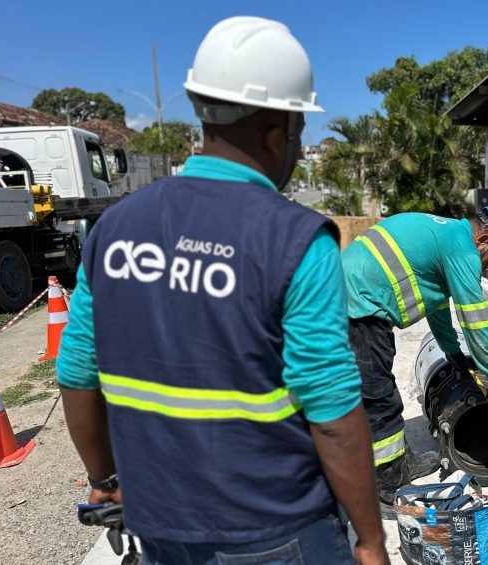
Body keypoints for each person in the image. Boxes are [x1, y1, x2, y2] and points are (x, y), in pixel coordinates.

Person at [56, 17, 389, 565]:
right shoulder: (297, 240)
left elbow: (77, 369)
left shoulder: (115, 228)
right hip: (276, 529)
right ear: (279, 132)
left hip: (159, 523)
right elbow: (331, 410)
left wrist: (104, 477)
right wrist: (371, 541)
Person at [343, 208, 488, 515]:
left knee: (367, 389)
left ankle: (398, 464)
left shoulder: (445, 236)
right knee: (379, 395)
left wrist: (452, 352)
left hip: (352, 294)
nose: (486, 269)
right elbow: (475, 316)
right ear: (483, 239)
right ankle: (386, 486)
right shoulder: (462, 247)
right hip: (358, 305)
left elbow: (436, 305)